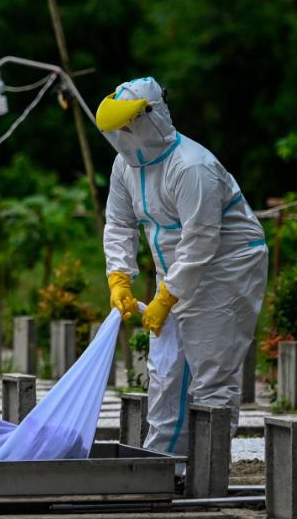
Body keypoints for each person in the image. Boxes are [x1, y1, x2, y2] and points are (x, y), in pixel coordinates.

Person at [95, 77, 268, 455]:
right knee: (166, 370)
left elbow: (202, 239)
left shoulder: (192, 166)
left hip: (227, 266)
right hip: (177, 270)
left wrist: (168, 296)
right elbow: (120, 224)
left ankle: (208, 472)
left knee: (210, 372)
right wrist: (119, 277)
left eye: (127, 127)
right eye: (115, 132)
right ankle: (165, 464)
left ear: (151, 117)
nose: (122, 138)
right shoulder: (125, 167)